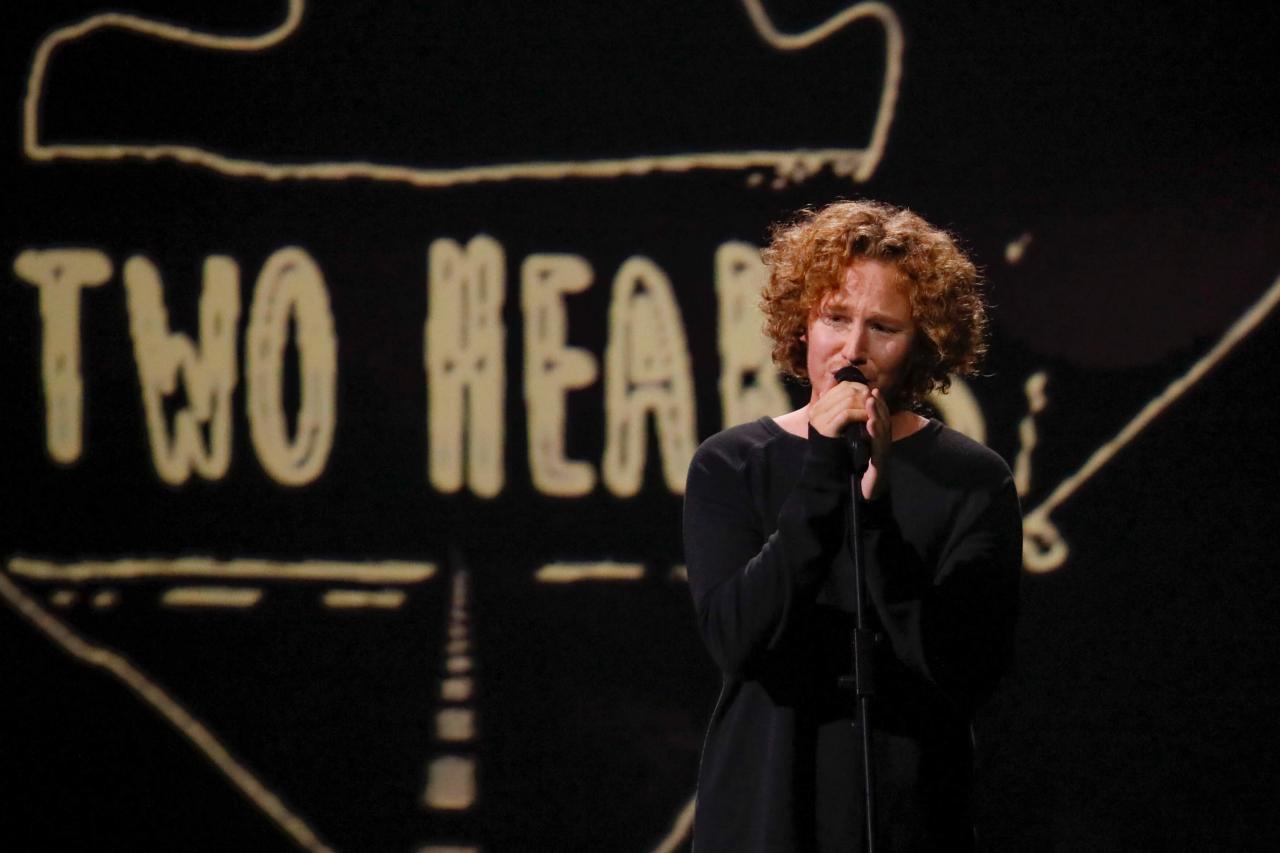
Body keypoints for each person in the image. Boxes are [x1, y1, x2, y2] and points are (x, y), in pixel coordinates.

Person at [684, 200, 1022, 851]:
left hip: (908, 819)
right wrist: (822, 476)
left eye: (883, 327)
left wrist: (874, 512)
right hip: (765, 814)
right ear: (802, 323)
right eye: (835, 318)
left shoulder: (972, 481)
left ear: (922, 343)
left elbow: (965, 667)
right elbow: (736, 638)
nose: (852, 349)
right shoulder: (731, 464)